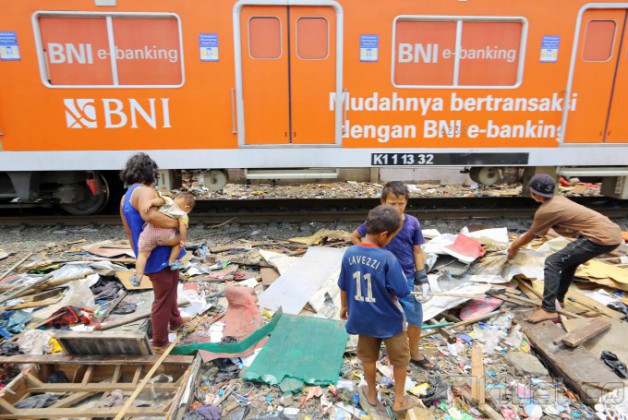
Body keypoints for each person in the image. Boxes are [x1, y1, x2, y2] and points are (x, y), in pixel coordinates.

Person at [508, 174, 622, 323]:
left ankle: (548, 310)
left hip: (600, 238)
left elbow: (531, 234)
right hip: (612, 234)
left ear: (533, 192)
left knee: (552, 262)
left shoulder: (545, 210)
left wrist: (513, 248)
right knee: (568, 262)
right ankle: (558, 300)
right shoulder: (559, 200)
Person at [339, 205, 416, 415]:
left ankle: (372, 393)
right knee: (400, 360)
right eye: (392, 237)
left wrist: (344, 306)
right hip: (389, 321)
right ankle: (399, 400)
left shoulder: (349, 253)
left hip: (363, 319)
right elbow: (401, 291)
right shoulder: (387, 258)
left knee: (368, 358)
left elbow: (343, 285)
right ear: (384, 235)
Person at [350, 181, 434, 370]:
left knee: (414, 315)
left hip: (406, 277)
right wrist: (367, 253)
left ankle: (414, 352)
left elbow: (417, 251)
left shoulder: (412, 223)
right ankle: (387, 351)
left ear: (407, 202)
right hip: (381, 279)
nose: (397, 208)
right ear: (382, 202)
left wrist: (421, 276)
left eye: (401, 203)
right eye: (392, 204)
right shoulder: (376, 222)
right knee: (383, 315)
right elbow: (355, 236)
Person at [119, 153, 189, 352]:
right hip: (160, 254)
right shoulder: (145, 191)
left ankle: (176, 320)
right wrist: (178, 223)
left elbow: (128, 230)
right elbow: (149, 215)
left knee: (170, 288)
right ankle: (159, 342)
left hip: (148, 253)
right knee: (163, 297)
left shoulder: (125, 197)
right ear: (149, 173)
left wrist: (140, 255)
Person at [130, 191, 196, 287]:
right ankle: (172, 262)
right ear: (187, 207)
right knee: (178, 243)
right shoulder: (183, 214)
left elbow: (159, 201)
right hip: (165, 235)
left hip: (148, 233)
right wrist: (182, 240)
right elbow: (183, 228)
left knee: (142, 255)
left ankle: (138, 277)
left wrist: (150, 203)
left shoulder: (168, 201)